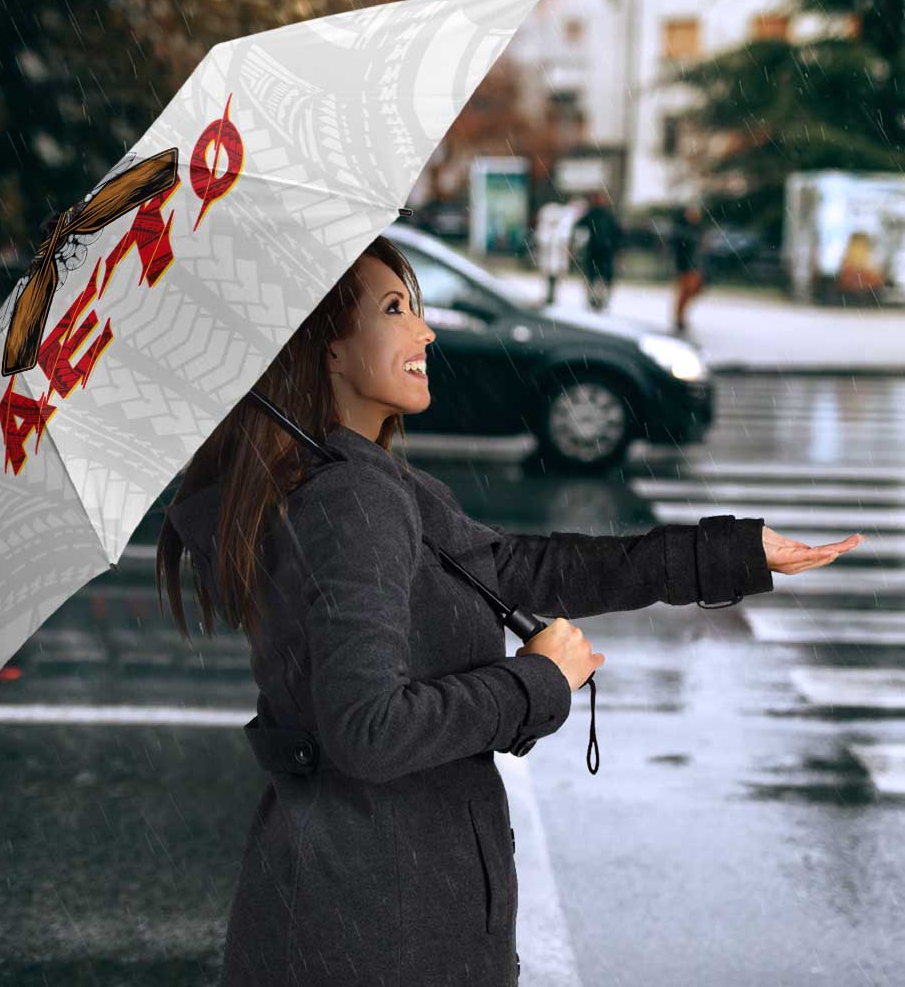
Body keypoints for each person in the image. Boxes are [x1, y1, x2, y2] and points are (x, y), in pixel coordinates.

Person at [157, 234, 861, 987]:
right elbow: (368, 730)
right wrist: (536, 682)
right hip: (379, 926)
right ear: (325, 349)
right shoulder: (350, 499)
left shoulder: (359, 482)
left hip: (360, 905)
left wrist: (731, 554)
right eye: (395, 309)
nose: (425, 331)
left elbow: (523, 568)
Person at [573, 189, 623, 312]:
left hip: (604, 251)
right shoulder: (593, 214)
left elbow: (617, 233)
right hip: (596, 251)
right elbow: (579, 227)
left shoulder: (606, 215)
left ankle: (600, 300)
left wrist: (616, 247)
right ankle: (594, 300)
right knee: (594, 277)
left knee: (601, 278)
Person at [671, 202, 707, 333]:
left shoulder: (698, 229)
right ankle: (679, 318)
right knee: (685, 292)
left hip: (695, 266)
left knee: (693, 291)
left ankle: (680, 317)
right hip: (686, 266)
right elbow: (680, 249)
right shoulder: (683, 230)